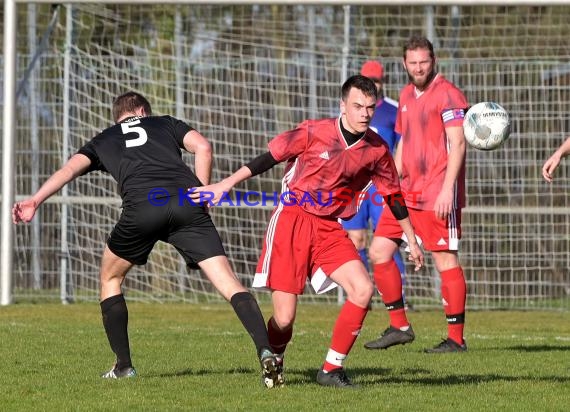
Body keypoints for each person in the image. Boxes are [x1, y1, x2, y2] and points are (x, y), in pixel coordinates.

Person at [12, 91, 283, 388]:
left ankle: (124, 367)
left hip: (142, 208)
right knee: (230, 284)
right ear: (143, 111)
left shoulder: (105, 138)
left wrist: (35, 200)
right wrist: (203, 194)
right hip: (186, 202)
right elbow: (204, 147)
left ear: (120, 116)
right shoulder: (163, 123)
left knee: (110, 279)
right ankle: (266, 350)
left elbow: (69, 169)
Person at [189, 75, 424, 387]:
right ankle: (273, 359)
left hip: (329, 227)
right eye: (357, 106)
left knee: (362, 290)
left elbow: (393, 194)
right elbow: (267, 160)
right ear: (343, 106)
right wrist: (224, 185)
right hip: (292, 221)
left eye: (370, 107)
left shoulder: (377, 149)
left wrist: (410, 236)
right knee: (284, 319)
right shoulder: (314, 131)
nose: (365, 113)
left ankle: (330, 369)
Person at [364, 35, 469, 353]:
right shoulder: (406, 94)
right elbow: (405, 143)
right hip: (405, 193)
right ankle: (399, 326)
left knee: (445, 261)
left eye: (424, 61)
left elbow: (459, 143)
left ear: (433, 60)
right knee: (379, 252)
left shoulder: (449, 94)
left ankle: (455, 339)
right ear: (404, 64)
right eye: (413, 62)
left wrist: (447, 190)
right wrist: (389, 181)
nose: (419, 67)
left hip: (437, 193)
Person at [341, 60, 410, 307]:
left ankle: (396, 296)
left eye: (377, 80)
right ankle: (361, 293)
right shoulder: (350, 110)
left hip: (381, 187)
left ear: (383, 82)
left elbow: (404, 144)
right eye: (368, 79)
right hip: (354, 187)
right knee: (356, 239)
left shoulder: (394, 110)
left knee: (387, 241)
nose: (373, 84)